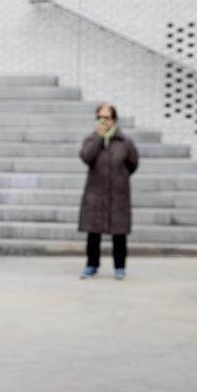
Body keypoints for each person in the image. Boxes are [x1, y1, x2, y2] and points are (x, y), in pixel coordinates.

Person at [78, 103, 139, 279]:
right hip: (95, 193)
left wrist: (120, 178)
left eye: (107, 117)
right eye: (100, 118)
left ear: (114, 119)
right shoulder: (91, 139)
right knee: (93, 232)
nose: (103, 121)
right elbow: (86, 157)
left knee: (119, 233)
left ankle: (120, 267)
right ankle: (92, 265)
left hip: (118, 193)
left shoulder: (125, 141)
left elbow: (133, 164)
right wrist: (99, 137)